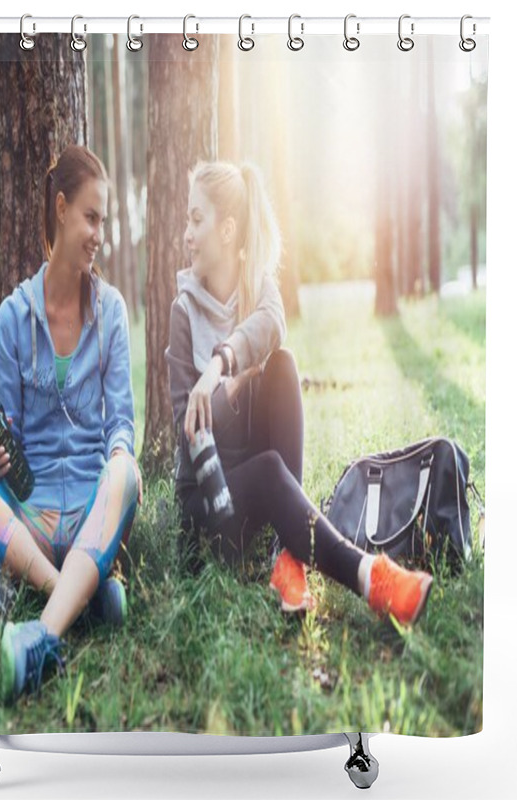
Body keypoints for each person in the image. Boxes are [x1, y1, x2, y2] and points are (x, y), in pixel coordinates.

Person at [166, 159, 433, 626]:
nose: (187, 233)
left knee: (283, 364)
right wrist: (230, 388)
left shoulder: (258, 291)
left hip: (258, 503)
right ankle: (372, 578)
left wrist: (220, 366)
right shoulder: (183, 310)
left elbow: (273, 324)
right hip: (208, 508)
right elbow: (183, 438)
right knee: (269, 469)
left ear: (227, 230)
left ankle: (288, 559)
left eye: (196, 219)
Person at [0, 144, 142, 703]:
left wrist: (120, 454)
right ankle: (77, 595)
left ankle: (42, 635)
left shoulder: (113, 312)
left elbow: (120, 421)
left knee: (127, 472)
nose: (99, 232)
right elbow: (8, 438)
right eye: (91, 216)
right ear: (60, 208)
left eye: (104, 220)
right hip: (28, 522)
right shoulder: (11, 317)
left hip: (87, 519)